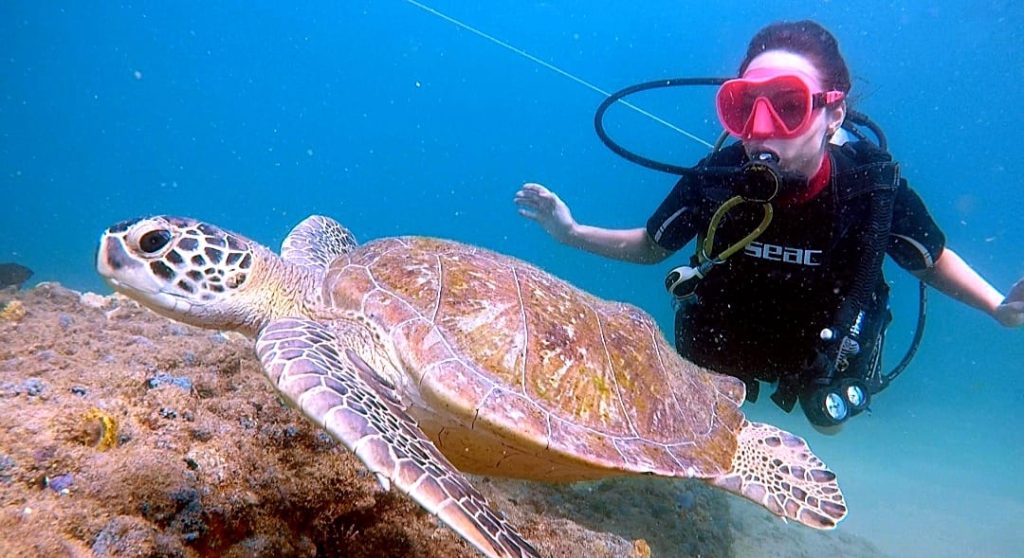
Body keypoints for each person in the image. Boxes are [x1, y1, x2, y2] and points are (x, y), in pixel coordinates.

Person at [514, 20, 1024, 431]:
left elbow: (931, 262)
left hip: (822, 353)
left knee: (826, 422)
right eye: (744, 107)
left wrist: (997, 307)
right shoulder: (717, 177)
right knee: (700, 421)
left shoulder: (871, 185)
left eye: (787, 106)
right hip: (725, 343)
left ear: (833, 112)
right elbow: (652, 247)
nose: (761, 128)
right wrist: (569, 231)